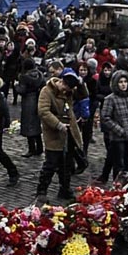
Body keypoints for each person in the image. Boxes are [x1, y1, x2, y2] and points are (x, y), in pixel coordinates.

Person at [36, 71, 84, 202]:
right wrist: (58, 124)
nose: (65, 91)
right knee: (51, 163)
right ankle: (41, 190)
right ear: (61, 82)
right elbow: (43, 111)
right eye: (64, 88)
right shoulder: (47, 91)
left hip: (68, 132)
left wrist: (81, 83)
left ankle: (65, 189)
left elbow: (83, 95)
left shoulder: (68, 92)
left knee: (66, 164)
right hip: (54, 132)